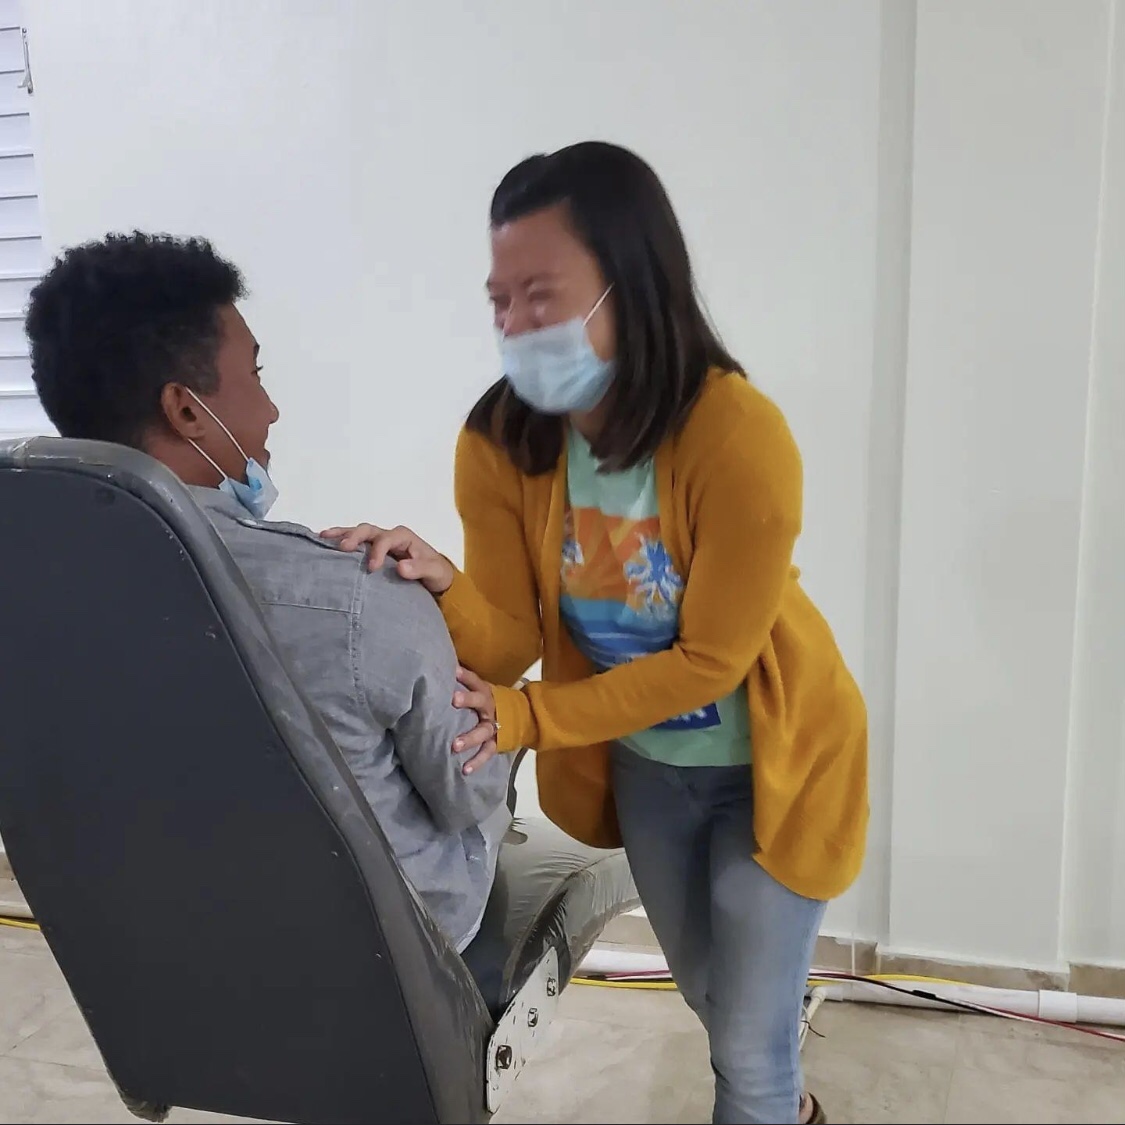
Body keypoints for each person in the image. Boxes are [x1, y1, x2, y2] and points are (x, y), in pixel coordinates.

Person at [326, 142, 867, 1125]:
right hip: (648, 769)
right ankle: (789, 1100)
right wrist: (439, 581)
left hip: (775, 768)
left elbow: (709, 661)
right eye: (500, 301)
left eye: (541, 295)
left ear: (633, 279)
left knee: (746, 1052)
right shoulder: (502, 441)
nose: (514, 325)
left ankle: (769, 1091)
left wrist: (530, 718)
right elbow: (507, 641)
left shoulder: (737, 435)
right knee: (714, 998)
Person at [25, 231, 512, 955]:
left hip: (159, 941)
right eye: (255, 373)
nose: (273, 409)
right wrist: (493, 681)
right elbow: (466, 793)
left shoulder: (31, 591)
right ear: (187, 411)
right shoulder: (362, 597)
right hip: (382, 959)